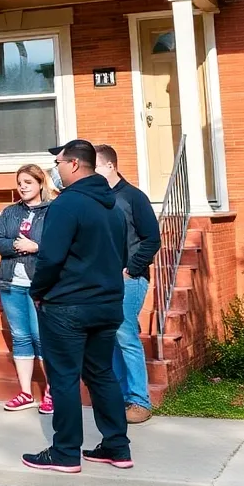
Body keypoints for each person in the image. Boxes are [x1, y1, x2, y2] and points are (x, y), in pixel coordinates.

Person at [23, 140, 131, 473]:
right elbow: (123, 256)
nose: (55, 169)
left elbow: (51, 256)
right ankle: (117, 447)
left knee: (65, 378)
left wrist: (38, 291)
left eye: (57, 162)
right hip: (108, 303)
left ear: (73, 164)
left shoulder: (67, 204)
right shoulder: (113, 204)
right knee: (101, 374)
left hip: (68, 305)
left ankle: (66, 452)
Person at [96, 144, 161, 426]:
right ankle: (121, 398)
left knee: (125, 337)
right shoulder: (97, 199)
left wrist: (131, 269)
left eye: (95, 167)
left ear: (110, 166)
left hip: (129, 280)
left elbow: (152, 239)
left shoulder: (133, 197)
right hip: (103, 280)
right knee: (110, 338)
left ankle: (139, 401)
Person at [0, 165, 54, 413]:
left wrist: (36, 247)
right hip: (10, 282)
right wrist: (19, 246)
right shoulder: (10, 212)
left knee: (41, 336)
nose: (23, 186)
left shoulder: (52, 211)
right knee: (20, 336)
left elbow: (57, 243)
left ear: (40, 183)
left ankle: (52, 391)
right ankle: (26, 392)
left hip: (38, 283)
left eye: (28, 182)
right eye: (20, 182)